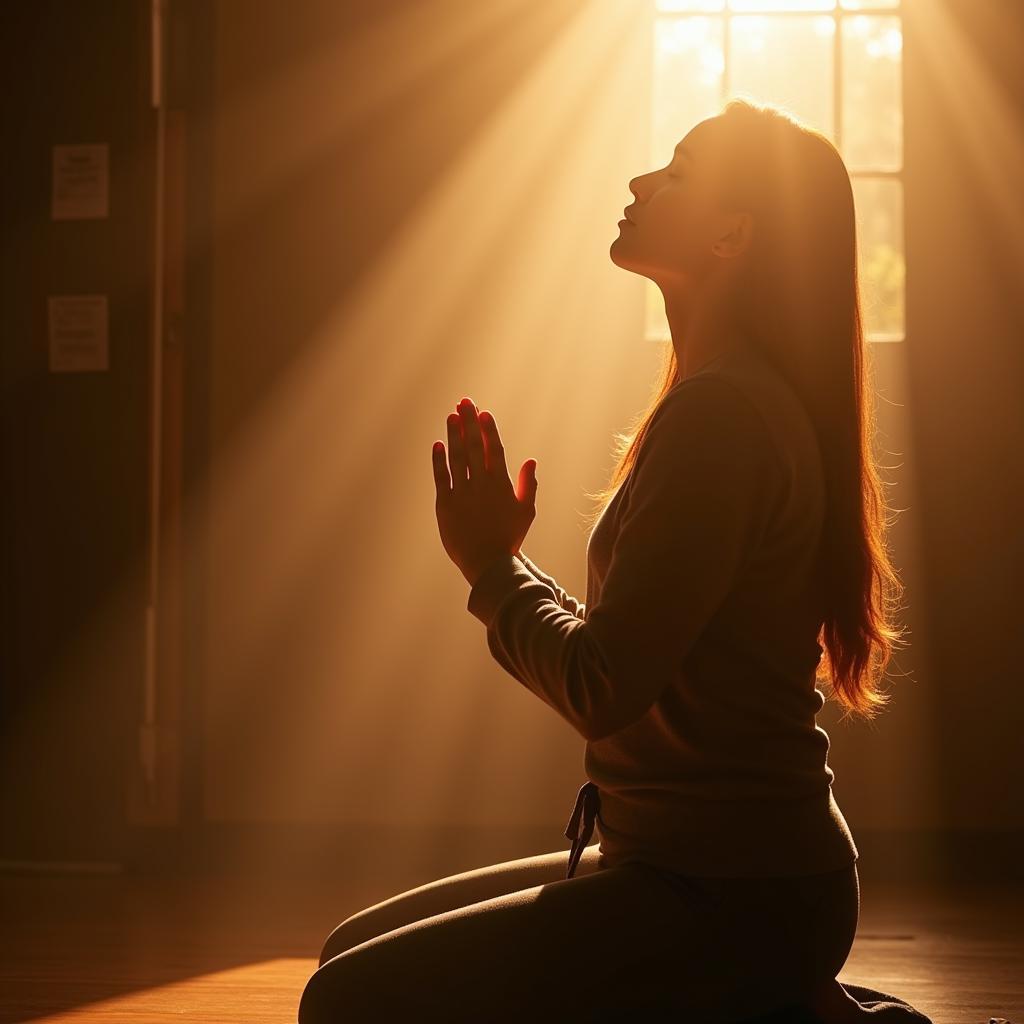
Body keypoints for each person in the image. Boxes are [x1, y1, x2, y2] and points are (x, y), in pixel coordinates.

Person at [298, 98, 919, 1023]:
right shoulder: (716, 399)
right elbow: (624, 645)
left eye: (676, 172)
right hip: (691, 866)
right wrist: (505, 562)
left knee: (346, 1003)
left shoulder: (724, 417)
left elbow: (601, 686)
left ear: (731, 233)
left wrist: (490, 570)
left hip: (737, 891)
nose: (640, 182)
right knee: (351, 954)